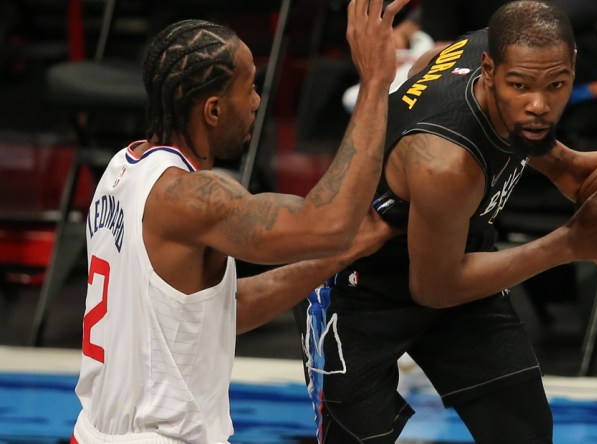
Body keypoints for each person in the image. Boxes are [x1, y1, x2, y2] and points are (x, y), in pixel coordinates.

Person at [292, 1, 597, 443]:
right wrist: (570, 243)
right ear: (491, 70)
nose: (540, 104)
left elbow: (519, 134)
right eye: (521, 86)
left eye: (557, 85)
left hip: (453, 251)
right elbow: (433, 288)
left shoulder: (496, 51)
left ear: (573, 64)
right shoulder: (445, 163)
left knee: (524, 430)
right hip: (358, 288)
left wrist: (573, 168)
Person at [70, 0, 409, 442]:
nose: (256, 102)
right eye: (249, 89)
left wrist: (349, 250)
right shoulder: (192, 198)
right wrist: (375, 81)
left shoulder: (122, 169)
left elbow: (224, 310)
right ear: (213, 110)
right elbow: (329, 222)